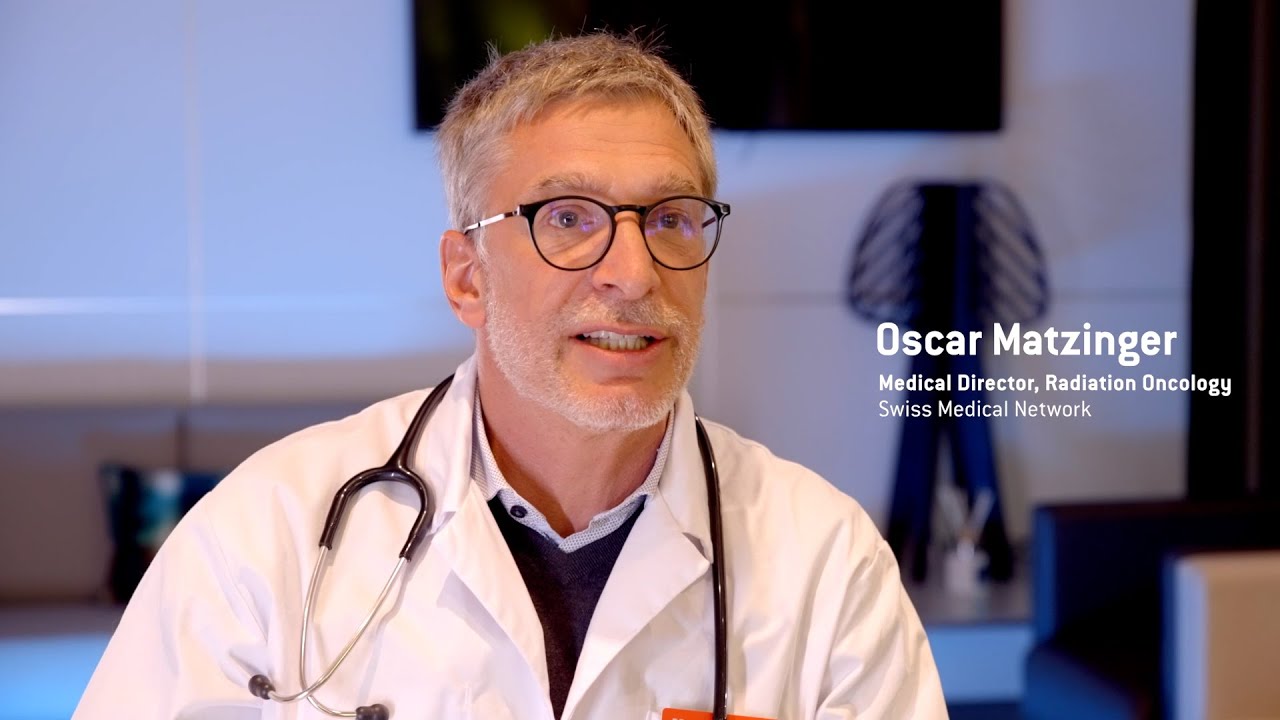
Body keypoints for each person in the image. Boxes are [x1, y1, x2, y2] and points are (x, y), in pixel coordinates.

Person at [74, 32, 946, 720]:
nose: (633, 273)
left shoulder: (826, 563)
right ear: (467, 278)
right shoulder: (264, 535)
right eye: (568, 218)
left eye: (671, 219)